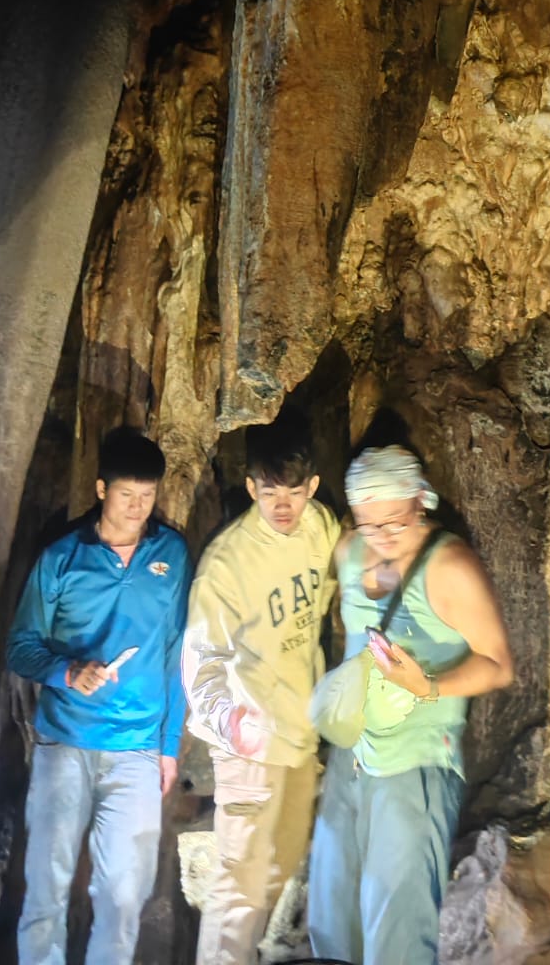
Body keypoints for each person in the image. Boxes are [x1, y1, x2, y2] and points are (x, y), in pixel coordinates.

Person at [307, 440, 514, 965]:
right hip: (351, 758)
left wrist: (430, 686)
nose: (381, 536)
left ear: (421, 500)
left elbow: (498, 664)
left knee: (396, 921)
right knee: (332, 910)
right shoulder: (350, 551)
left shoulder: (449, 567)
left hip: (415, 763)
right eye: (368, 522)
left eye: (394, 522)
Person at [6, 425, 190, 965]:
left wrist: (169, 746)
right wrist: (67, 671)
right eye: (127, 494)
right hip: (65, 742)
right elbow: (20, 646)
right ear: (101, 489)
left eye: (147, 496)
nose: (137, 508)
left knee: (123, 898)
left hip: (137, 748)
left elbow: (178, 651)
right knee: (46, 888)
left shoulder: (171, 554)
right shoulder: (62, 557)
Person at [181, 413, 340, 965]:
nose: (282, 506)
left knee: (280, 865)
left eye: (293, 493)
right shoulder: (227, 563)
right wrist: (230, 723)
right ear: (251, 488)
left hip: (299, 732)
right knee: (239, 882)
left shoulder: (321, 527)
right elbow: (201, 662)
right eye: (270, 493)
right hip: (248, 740)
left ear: (312, 486)